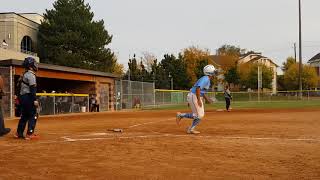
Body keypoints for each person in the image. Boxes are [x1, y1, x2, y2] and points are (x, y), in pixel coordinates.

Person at [176, 64, 216, 134]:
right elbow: (198, 88)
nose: (215, 73)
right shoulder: (206, 78)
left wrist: (207, 99)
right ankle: (181, 115)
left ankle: (191, 129)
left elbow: (202, 92)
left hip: (194, 96)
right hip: (194, 96)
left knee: (200, 115)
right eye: (214, 71)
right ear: (210, 72)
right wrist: (198, 100)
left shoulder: (207, 79)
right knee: (198, 115)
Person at [15, 57, 39, 140]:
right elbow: (32, 89)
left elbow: (18, 87)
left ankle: (19, 133)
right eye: (33, 64)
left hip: (22, 97)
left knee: (24, 115)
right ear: (30, 66)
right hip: (28, 97)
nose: (35, 65)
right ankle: (30, 133)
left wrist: (18, 98)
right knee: (33, 114)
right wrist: (35, 99)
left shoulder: (23, 74)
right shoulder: (31, 75)